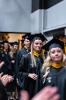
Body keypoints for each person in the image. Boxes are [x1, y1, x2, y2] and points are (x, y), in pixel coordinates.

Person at [17, 33, 47, 99]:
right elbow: (19, 73)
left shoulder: (44, 58)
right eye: (36, 43)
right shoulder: (26, 57)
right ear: (32, 44)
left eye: (40, 44)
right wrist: (28, 74)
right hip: (31, 88)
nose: (39, 45)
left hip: (41, 88)